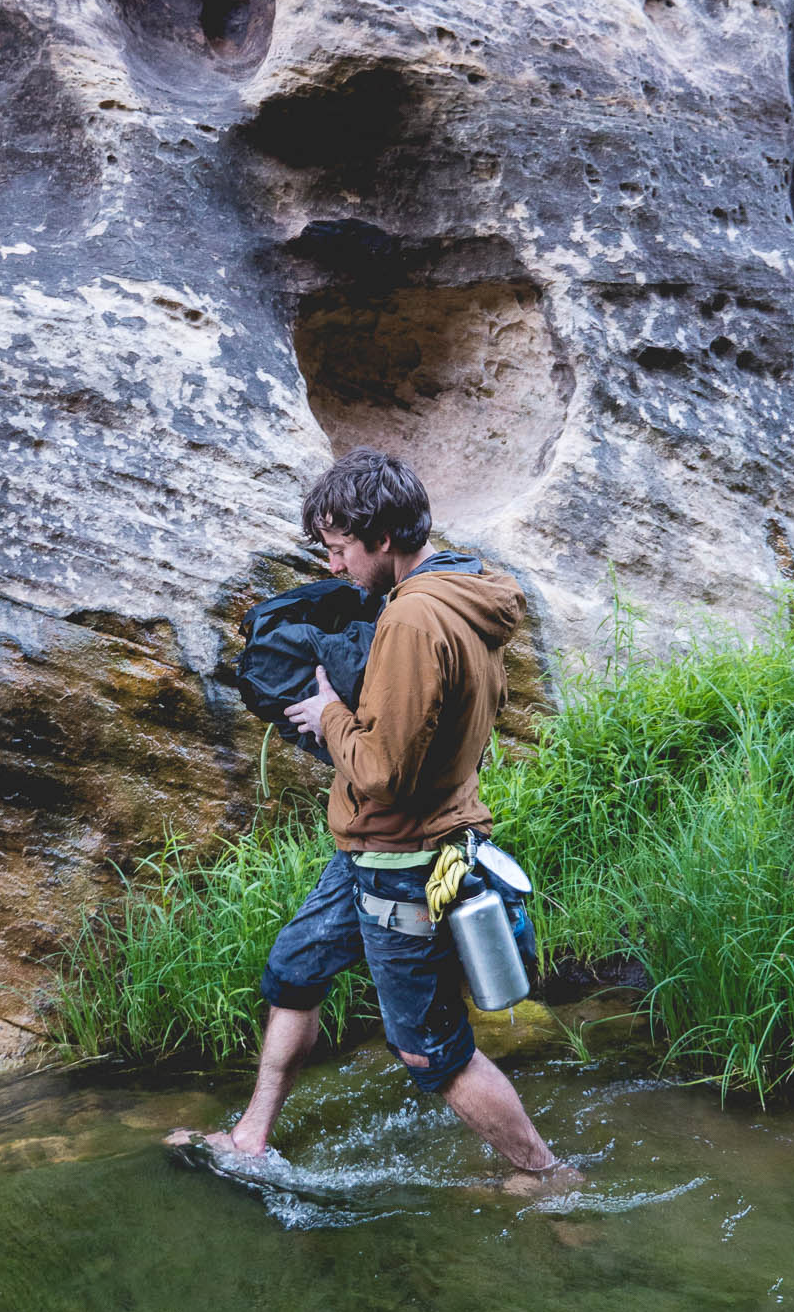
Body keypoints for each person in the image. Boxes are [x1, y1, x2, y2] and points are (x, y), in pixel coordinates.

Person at [176, 447, 557, 1176]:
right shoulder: (465, 588)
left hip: (406, 867)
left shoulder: (414, 622)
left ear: (382, 539)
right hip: (370, 853)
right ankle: (252, 1135)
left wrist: (327, 714)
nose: (334, 566)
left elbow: (383, 773)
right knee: (294, 970)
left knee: (429, 1051)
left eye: (340, 548)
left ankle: (547, 1177)